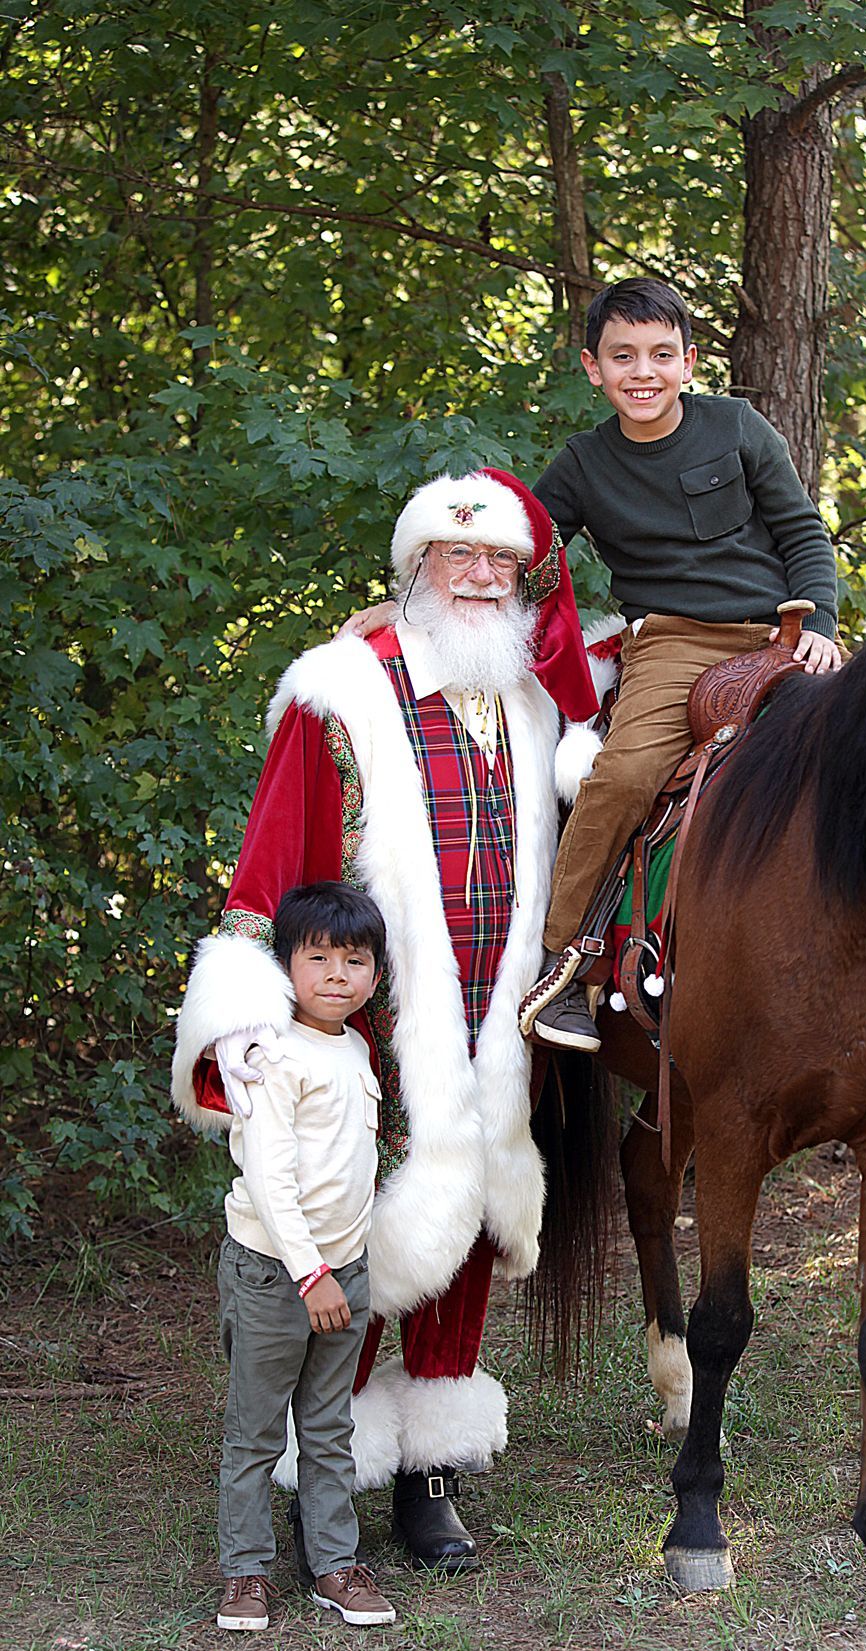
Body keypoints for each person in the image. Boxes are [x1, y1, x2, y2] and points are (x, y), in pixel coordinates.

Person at [173, 468, 597, 1578]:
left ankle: (431, 1477)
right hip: (372, 1025)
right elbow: (273, 857)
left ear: (521, 583)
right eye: (457, 559)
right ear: (414, 573)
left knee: (465, 1228)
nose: (477, 578)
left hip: (501, 1019)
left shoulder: (543, 704)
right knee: (348, 1230)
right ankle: (333, 1466)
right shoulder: (341, 694)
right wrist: (244, 1017)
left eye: (499, 563)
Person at [342, 279, 841, 1052]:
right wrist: (409, 608)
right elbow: (517, 552)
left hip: (784, 633)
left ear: (688, 361)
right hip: (677, 642)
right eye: (623, 357)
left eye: (661, 355)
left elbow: (804, 532)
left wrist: (823, 623)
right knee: (622, 776)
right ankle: (566, 962)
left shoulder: (739, 427)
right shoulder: (583, 464)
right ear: (593, 368)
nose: (643, 372)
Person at [214, 882, 396, 1631]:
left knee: (328, 1429)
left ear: (375, 975)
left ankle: (334, 1565)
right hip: (275, 1273)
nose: (334, 975)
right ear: (284, 965)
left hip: (343, 1273)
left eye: (354, 961)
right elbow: (271, 1180)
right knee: (256, 1431)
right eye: (316, 957)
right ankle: (245, 1573)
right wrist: (310, 1272)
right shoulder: (267, 1055)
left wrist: (342, 1269)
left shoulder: (356, 1046)